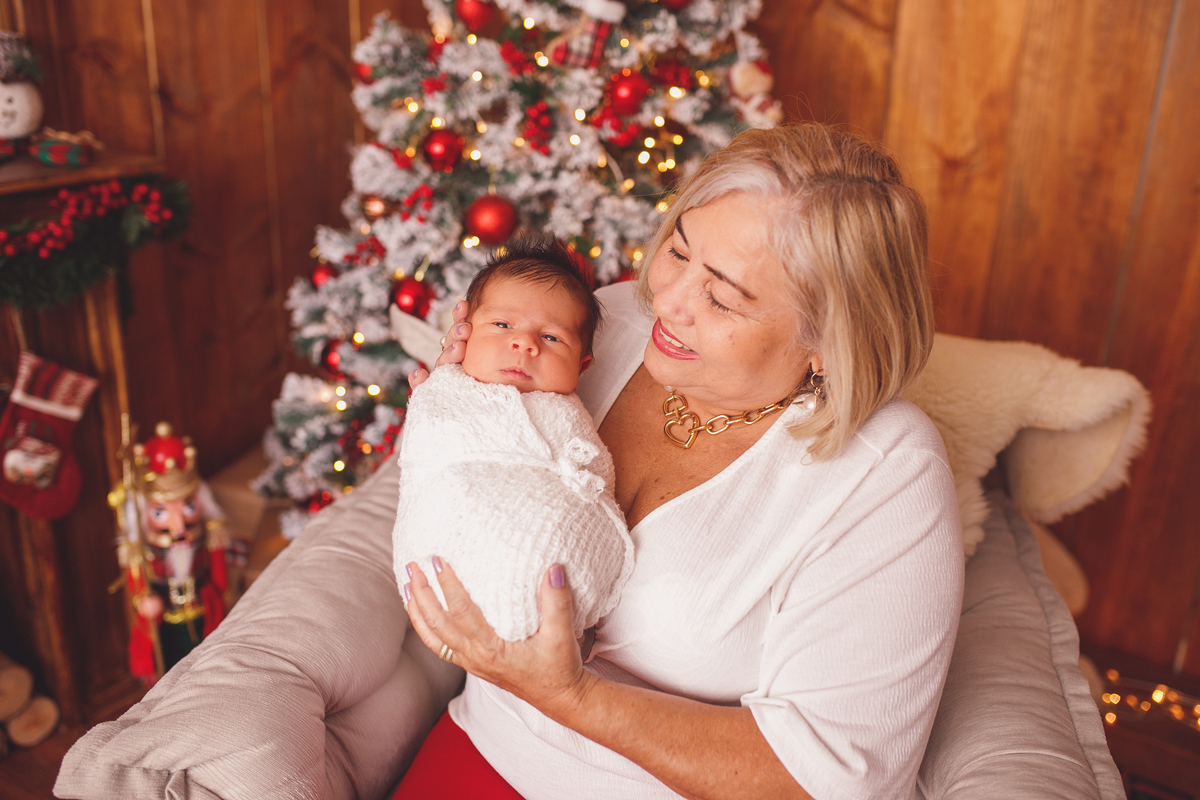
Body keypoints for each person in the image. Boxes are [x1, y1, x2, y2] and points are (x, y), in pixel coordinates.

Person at [396, 123, 965, 800]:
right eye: (679, 250)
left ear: (827, 340)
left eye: (723, 296)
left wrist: (572, 696)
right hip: (486, 743)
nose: (667, 301)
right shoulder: (597, 329)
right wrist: (459, 401)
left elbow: (835, 778)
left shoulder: (886, 472)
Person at [393, 239, 632, 643]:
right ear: (464, 334)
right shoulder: (447, 391)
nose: (525, 344)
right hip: (449, 536)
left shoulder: (569, 412)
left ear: (582, 365)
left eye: (553, 338)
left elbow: (594, 476)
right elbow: (428, 460)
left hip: (552, 565)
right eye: (503, 325)